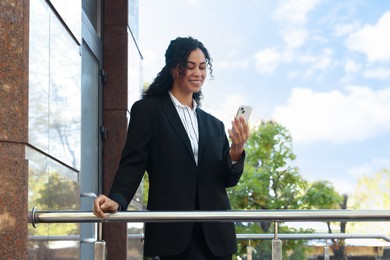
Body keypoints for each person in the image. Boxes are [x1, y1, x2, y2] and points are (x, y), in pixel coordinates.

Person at [93, 36, 249, 259]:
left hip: (216, 235)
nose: (198, 73)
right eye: (190, 66)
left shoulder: (215, 125)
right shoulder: (149, 110)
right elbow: (133, 162)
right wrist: (117, 198)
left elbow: (227, 180)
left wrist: (236, 150)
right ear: (175, 69)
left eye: (203, 67)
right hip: (174, 232)